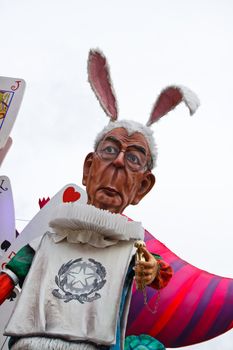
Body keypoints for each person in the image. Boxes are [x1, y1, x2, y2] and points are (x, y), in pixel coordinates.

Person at [0, 49, 200, 349]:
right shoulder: (48, 238)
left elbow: (159, 274)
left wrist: (152, 268)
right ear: (88, 168)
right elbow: (12, 275)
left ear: (142, 187)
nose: (118, 163)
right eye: (110, 150)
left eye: (133, 158)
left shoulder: (132, 248)